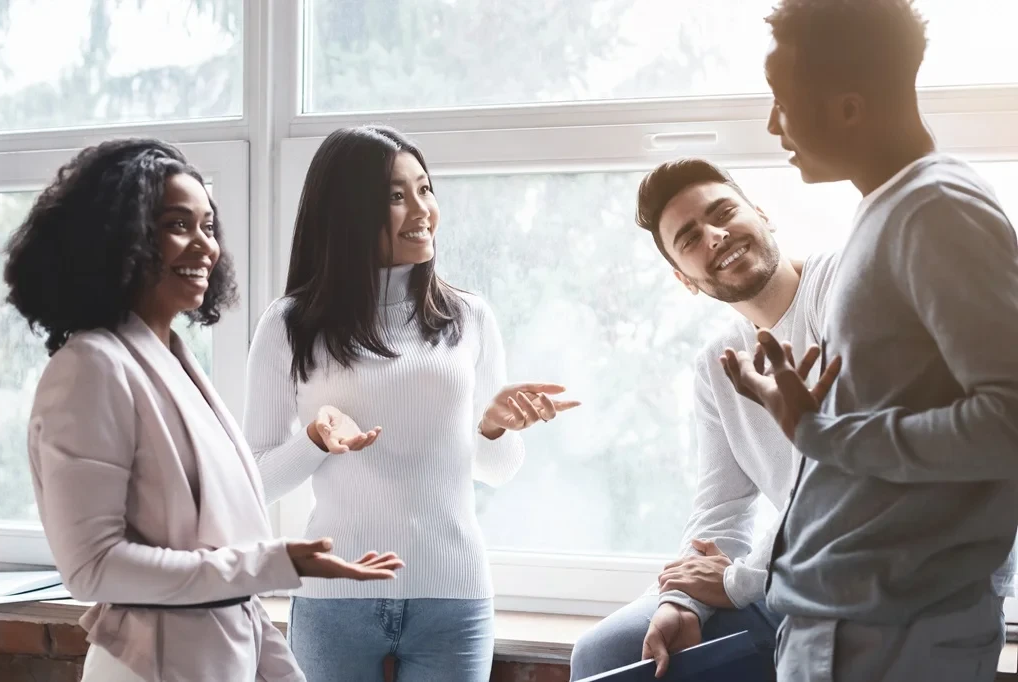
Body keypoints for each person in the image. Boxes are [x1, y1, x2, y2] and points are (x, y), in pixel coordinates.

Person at [4, 139, 403, 682]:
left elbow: (233, 576)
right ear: (119, 239)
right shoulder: (90, 368)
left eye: (208, 227)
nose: (204, 246)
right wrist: (278, 562)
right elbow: (92, 568)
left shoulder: (178, 362)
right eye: (177, 224)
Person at [722, 1, 1018, 680]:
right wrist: (809, 411)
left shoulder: (937, 210)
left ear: (849, 108)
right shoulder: (887, 208)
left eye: (782, 102)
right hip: (850, 616)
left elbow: (1008, 421)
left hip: (893, 629)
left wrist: (820, 432)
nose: (773, 125)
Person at [243, 125, 579, 682]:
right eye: (397, 196)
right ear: (348, 213)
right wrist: (314, 443)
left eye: (425, 189)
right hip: (335, 597)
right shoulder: (290, 325)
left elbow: (497, 470)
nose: (422, 209)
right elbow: (252, 482)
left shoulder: (468, 318)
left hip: (453, 597)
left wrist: (494, 429)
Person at [569, 157, 837, 681]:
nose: (714, 236)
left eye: (724, 213)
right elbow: (721, 509)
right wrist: (682, 602)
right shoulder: (718, 364)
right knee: (606, 655)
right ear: (684, 278)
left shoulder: (838, 287)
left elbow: (841, 480)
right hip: (779, 581)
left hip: (846, 572)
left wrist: (741, 581)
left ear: (761, 213)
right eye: (689, 238)